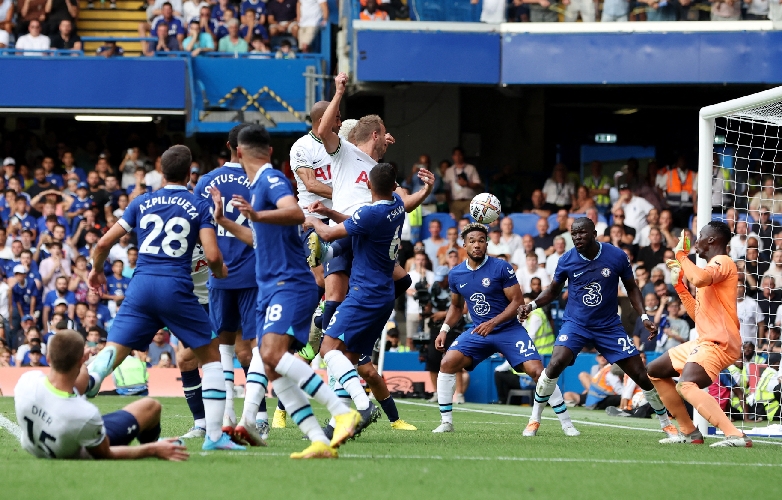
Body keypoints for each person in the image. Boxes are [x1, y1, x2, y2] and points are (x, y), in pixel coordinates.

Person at [209, 124, 361, 459]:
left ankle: (341, 412)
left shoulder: (270, 180)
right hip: (269, 286)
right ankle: (317, 440)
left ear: (238, 152)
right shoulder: (256, 185)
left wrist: (257, 213)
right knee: (271, 364)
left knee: (274, 356)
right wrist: (226, 222)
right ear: (269, 150)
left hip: (289, 284)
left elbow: (294, 212)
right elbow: (258, 239)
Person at [84, 145, 242, 452]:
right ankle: (213, 436)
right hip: (175, 288)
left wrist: (96, 271)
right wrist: (221, 272)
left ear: (162, 171)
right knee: (211, 356)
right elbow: (211, 255)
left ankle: (86, 385)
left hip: (140, 286)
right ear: (189, 173)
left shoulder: (141, 201)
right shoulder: (198, 204)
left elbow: (103, 242)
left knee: (113, 350)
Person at [517, 217, 676, 439]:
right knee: (554, 364)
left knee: (640, 374)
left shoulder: (616, 256)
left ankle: (666, 425)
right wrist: (531, 305)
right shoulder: (566, 260)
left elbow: (631, 288)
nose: (577, 237)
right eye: (573, 234)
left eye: (582, 233)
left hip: (608, 326)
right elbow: (553, 290)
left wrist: (644, 316)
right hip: (576, 324)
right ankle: (535, 419)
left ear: (594, 233)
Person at [306, 162, 419, 437]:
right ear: (394, 187)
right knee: (348, 356)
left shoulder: (371, 212)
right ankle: (337, 427)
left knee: (327, 349)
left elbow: (330, 234)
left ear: (368, 185)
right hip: (383, 297)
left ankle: (363, 405)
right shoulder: (396, 207)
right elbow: (357, 223)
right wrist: (330, 211)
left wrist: (312, 221)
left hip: (363, 294)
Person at [432, 223, 577, 435]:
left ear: (487, 243)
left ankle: (566, 423)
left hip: (508, 329)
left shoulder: (501, 267)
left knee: (538, 371)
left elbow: (517, 302)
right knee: (447, 362)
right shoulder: (456, 274)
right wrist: (444, 329)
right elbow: (456, 306)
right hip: (479, 331)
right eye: (472, 241)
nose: (477, 245)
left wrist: (493, 322)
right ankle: (446, 422)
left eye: (481, 240)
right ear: (464, 244)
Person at [647, 224, 752, 447]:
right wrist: (679, 286)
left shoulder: (722, 262)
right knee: (655, 370)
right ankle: (689, 432)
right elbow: (699, 315)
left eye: (701, 237)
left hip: (719, 343)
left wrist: (681, 257)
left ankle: (735, 435)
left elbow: (700, 279)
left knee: (685, 385)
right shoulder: (709, 270)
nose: (697, 241)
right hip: (705, 341)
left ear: (712, 240)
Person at [193, 124, 266, 445]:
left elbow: (200, 227)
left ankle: (227, 415)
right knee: (254, 348)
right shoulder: (260, 179)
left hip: (220, 275)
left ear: (230, 146)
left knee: (222, 345)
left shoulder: (207, 182)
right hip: (254, 273)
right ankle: (259, 417)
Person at [14, 330, 188, 461]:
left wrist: (81, 364)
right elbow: (106, 453)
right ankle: (95, 375)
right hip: (78, 445)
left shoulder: (26, 381)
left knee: (67, 382)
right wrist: (153, 449)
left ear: (49, 359)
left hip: (35, 446)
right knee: (151, 406)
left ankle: (93, 378)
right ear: (80, 361)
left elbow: (65, 379)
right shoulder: (84, 413)